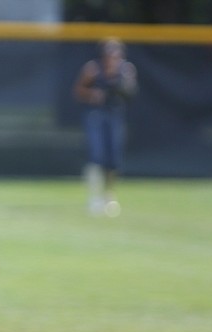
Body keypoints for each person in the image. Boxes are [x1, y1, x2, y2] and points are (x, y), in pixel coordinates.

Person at [73, 38, 137, 216]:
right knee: (96, 155)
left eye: (116, 55)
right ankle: (93, 197)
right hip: (96, 114)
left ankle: (109, 195)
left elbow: (131, 92)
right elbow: (78, 90)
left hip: (114, 115)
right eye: (110, 54)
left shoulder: (126, 71)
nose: (113, 58)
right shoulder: (92, 69)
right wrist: (92, 94)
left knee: (113, 159)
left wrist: (126, 83)